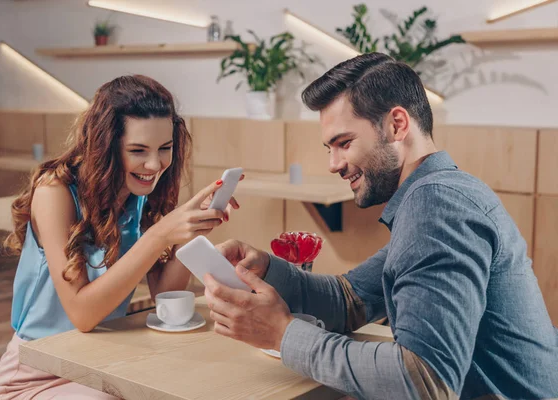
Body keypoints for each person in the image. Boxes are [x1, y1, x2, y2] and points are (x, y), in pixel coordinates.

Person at [203, 53, 558, 399]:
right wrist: (267, 269)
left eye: (344, 143)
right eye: (329, 147)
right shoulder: (438, 195)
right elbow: (348, 298)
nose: (333, 163)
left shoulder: (438, 205)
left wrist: (282, 334)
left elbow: (425, 382)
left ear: (397, 125)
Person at [0, 75, 240, 399]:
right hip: (36, 373)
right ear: (105, 145)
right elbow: (82, 313)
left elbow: (164, 292)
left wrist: (191, 229)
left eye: (165, 148)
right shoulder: (55, 192)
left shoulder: (137, 191)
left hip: (102, 361)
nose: (154, 164)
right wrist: (161, 234)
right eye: (138, 150)